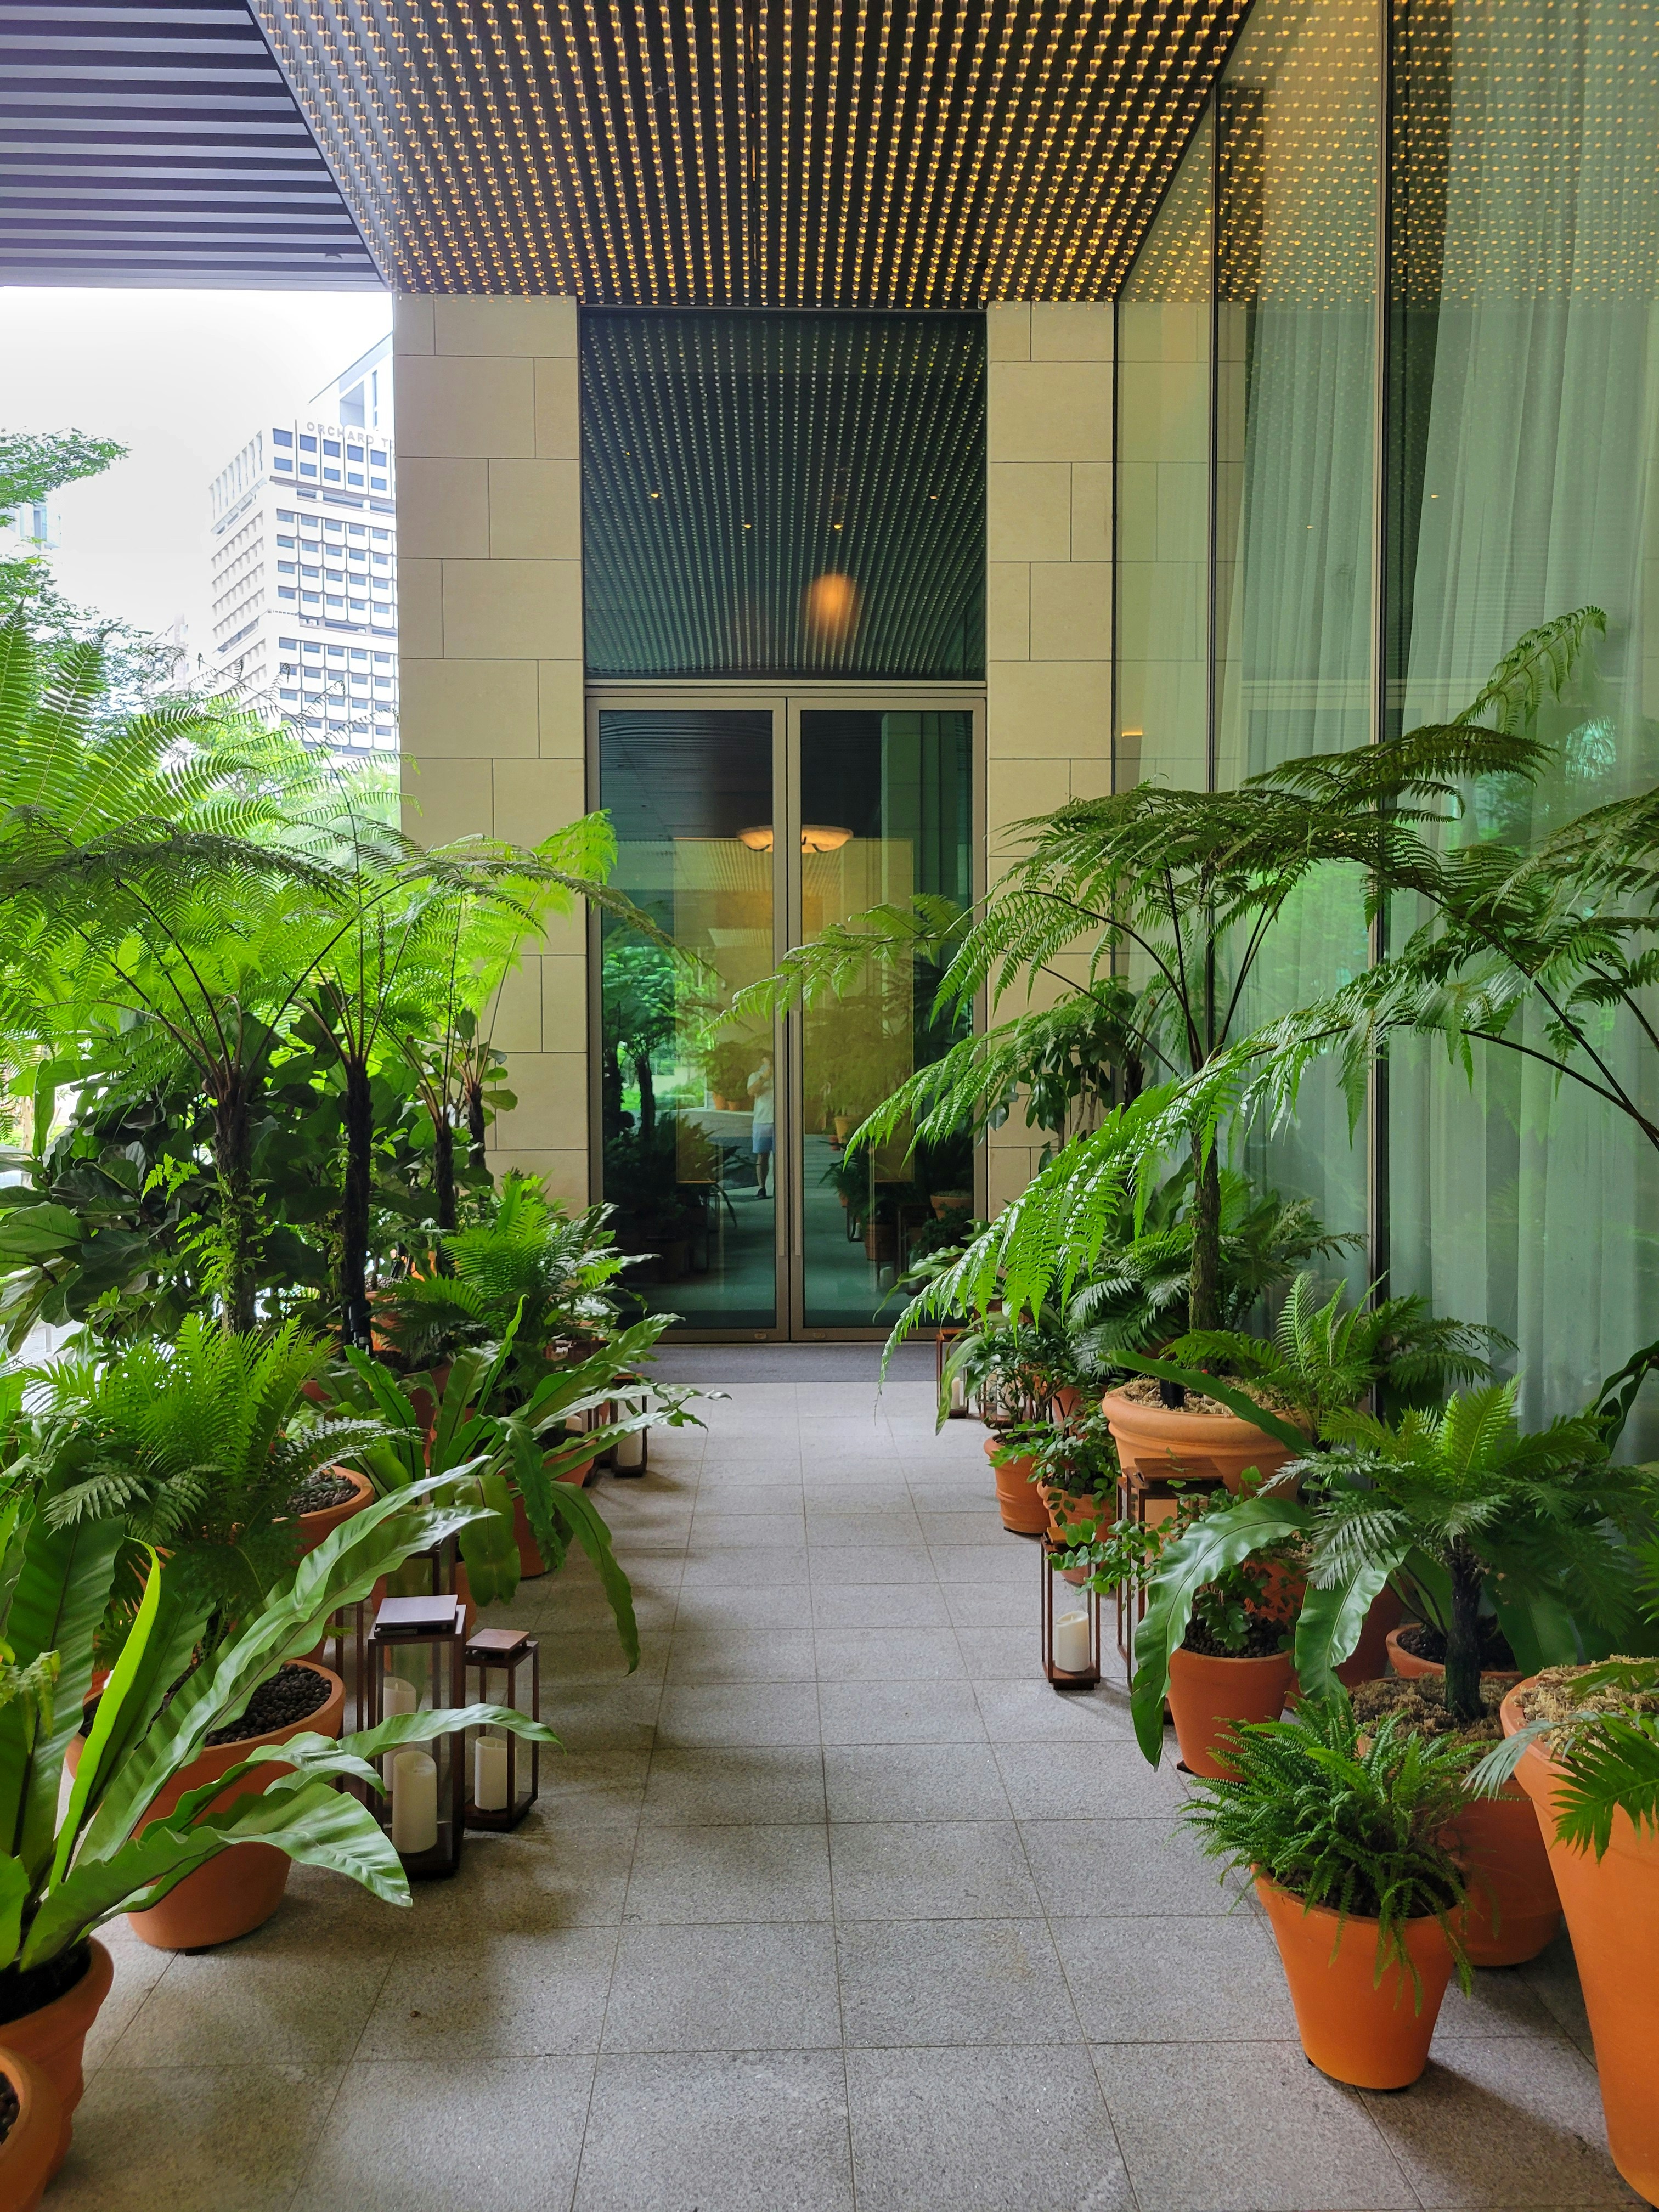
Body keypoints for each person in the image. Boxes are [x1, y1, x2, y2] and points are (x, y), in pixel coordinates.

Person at [747, 1052, 775, 1198]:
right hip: (762, 1121)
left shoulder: (783, 1075)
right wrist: (764, 1077)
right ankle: (762, 1187)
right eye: (766, 1060)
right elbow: (751, 1092)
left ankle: (780, 1186)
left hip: (779, 1121)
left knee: (780, 1156)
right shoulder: (756, 1075)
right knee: (762, 1155)